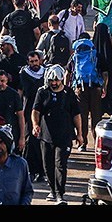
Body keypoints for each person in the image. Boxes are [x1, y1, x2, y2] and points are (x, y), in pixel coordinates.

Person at [32, 64, 82, 205]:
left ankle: (60, 194)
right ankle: (53, 190)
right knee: (48, 165)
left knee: (61, 164)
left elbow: (76, 114)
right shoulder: (42, 92)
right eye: (51, 81)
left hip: (64, 135)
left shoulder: (69, 93)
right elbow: (36, 111)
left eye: (56, 80)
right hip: (46, 135)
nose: (54, 83)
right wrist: (35, 125)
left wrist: (79, 133)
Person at [68, 35, 109, 150]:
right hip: (95, 89)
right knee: (96, 117)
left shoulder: (75, 55)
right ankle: (97, 143)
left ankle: (82, 143)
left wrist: (68, 88)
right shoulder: (96, 55)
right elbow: (105, 73)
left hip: (80, 89)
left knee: (82, 117)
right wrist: (104, 87)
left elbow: (68, 72)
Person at [19, 50, 46, 182]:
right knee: (30, 139)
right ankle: (30, 170)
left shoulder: (45, 72)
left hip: (43, 110)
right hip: (29, 109)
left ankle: (42, 171)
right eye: (31, 62)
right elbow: (27, 90)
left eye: (36, 61)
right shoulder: (24, 73)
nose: (34, 64)